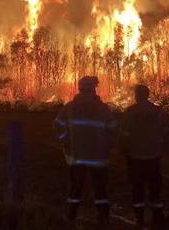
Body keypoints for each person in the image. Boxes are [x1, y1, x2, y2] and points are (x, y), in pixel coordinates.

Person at [53, 76, 117, 225]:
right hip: (98, 158)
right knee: (100, 189)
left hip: (77, 157)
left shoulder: (70, 108)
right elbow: (113, 129)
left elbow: (57, 125)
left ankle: (71, 216)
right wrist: (108, 146)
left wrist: (65, 141)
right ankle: (103, 217)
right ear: (93, 89)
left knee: (75, 189)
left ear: (80, 89)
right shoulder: (103, 109)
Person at [120, 84, 169, 227]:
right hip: (154, 157)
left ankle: (139, 218)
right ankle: (158, 217)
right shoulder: (158, 111)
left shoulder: (130, 112)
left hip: (135, 157)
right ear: (148, 95)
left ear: (137, 96)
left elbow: (124, 135)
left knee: (137, 189)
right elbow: (168, 130)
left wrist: (124, 150)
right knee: (155, 189)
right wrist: (162, 146)